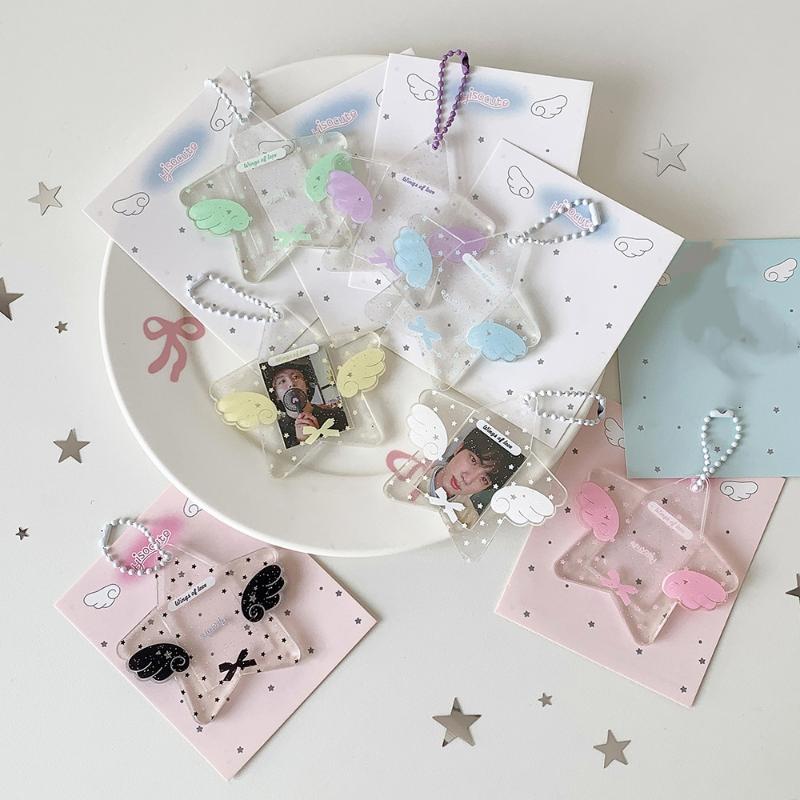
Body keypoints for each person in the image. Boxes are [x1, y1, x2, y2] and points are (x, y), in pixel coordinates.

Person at [422, 427, 524, 528]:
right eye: (473, 460)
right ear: (459, 448)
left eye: (484, 479)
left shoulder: (468, 521)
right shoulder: (417, 467)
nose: (467, 479)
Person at [267, 359, 348, 448]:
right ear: (276, 395)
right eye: (282, 381)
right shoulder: (277, 436)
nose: (291, 384)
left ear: (306, 385)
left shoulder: (337, 416)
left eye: (296, 377)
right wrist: (302, 441)